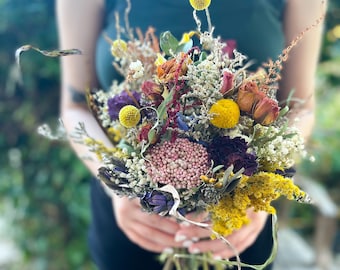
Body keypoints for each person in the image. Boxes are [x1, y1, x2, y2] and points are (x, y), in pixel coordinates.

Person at [56, 0, 326, 269]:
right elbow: (76, 105)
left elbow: (301, 107)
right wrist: (118, 185)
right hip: (133, 222)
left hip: (238, 229)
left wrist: (258, 197)